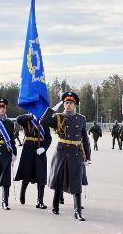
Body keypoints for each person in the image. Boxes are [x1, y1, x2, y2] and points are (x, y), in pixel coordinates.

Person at [40, 91, 91, 221]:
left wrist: (88, 156)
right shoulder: (58, 117)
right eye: (66, 103)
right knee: (59, 179)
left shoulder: (81, 118)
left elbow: (85, 138)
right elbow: (43, 121)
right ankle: (55, 205)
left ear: (75, 105)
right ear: (63, 104)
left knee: (76, 181)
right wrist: (51, 110)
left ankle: (77, 211)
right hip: (61, 152)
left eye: (71, 103)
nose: (68, 105)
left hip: (76, 153)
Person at [15, 113, 52, 209]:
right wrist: (31, 117)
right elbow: (18, 118)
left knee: (41, 175)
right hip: (28, 149)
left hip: (40, 149)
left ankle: (40, 201)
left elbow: (48, 138)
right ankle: (22, 193)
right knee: (26, 174)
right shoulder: (27, 119)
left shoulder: (44, 121)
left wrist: (44, 148)